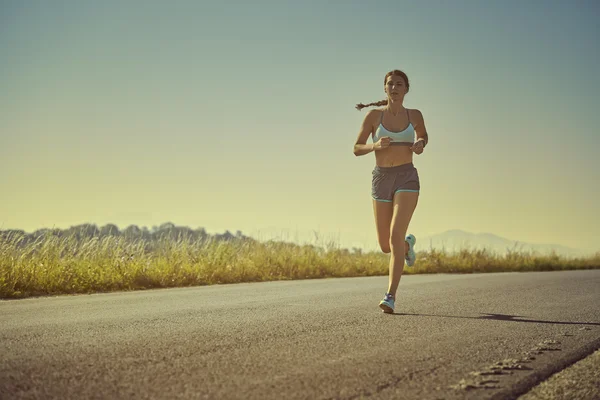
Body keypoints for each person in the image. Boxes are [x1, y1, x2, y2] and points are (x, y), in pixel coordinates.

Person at [353, 69, 429, 313]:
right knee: (386, 246)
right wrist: (375, 145)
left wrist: (420, 144)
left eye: (399, 84)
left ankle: (390, 296)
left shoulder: (414, 115)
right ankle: (406, 247)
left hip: (407, 178)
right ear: (385, 89)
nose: (394, 88)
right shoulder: (374, 116)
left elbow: (423, 136)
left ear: (406, 89)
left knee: (396, 233)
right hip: (381, 179)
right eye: (390, 84)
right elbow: (356, 148)